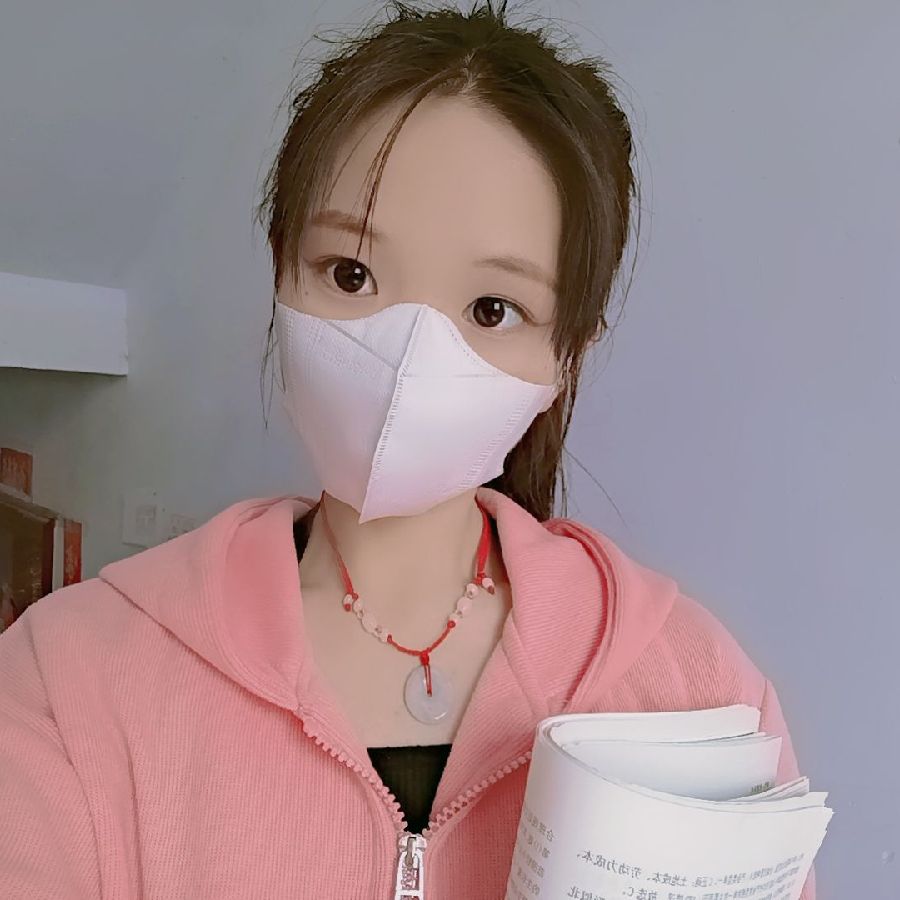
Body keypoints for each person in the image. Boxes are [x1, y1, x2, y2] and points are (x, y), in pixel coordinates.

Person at [0, 2, 816, 897]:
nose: (409, 357)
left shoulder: (700, 698)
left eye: (493, 310)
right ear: (280, 271)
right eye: (350, 275)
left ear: (567, 355)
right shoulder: (70, 679)